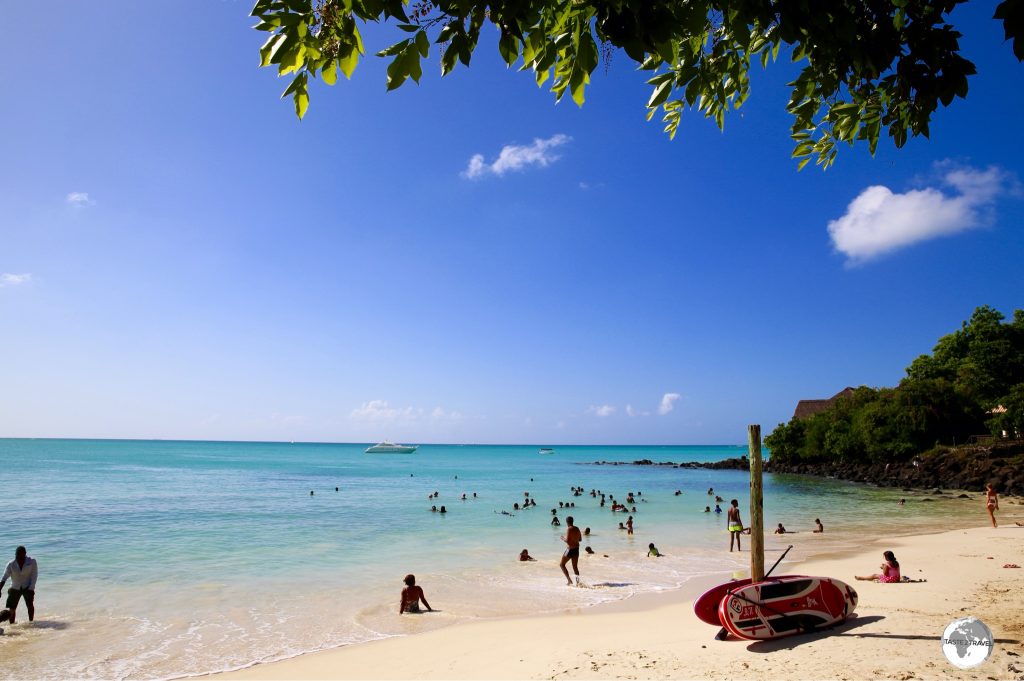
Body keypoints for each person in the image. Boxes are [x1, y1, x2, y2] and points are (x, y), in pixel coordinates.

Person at [1, 546, 37, 624]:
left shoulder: (32, 562)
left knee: (30, 606)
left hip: (27, 587)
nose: (19, 558)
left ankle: (31, 622)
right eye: (17, 556)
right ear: (15, 555)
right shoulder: (11, 564)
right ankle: (12, 625)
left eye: (21, 556)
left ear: (25, 554)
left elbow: (34, 575)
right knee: (12, 608)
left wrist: (31, 588)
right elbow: (4, 578)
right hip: (14, 587)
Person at [559, 516, 583, 586]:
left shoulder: (569, 529)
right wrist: (574, 539)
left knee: (562, 564)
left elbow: (568, 541)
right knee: (575, 567)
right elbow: (580, 539)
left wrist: (563, 538)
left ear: (567, 522)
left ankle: (569, 581)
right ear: (573, 521)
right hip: (577, 549)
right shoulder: (577, 528)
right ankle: (578, 583)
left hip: (570, 549)